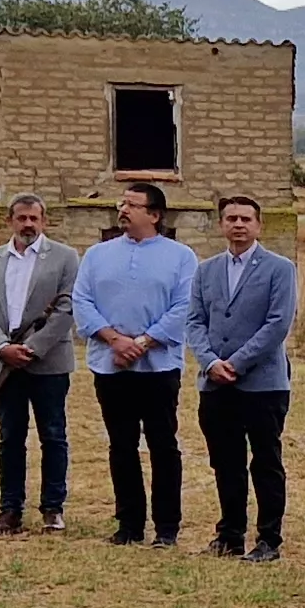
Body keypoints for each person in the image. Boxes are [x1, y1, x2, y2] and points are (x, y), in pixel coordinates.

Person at [72, 183, 200, 547]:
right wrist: (114, 340)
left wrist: (142, 342)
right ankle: (129, 524)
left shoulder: (181, 257)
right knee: (121, 445)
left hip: (159, 367)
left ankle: (166, 527)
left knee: (163, 445)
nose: (123, 209)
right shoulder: (97, 254)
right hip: (110, 365)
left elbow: (184, 306)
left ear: (155, 215)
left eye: (132, 204)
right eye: (122, 203)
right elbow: (81, 300)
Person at [194, 195, 296, 563]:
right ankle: (230, 534)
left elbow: (278, 323)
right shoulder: (206, 270)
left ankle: (269, 539)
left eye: (246, 219)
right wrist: (210, 362)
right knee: (226, 462)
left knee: (265, 462)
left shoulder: (279, 268)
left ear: (258, 225)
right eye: (231, 218)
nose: (238, 224)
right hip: (215, 384)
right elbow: (195, 320)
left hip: (262, 384)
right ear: (221, 224)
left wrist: (236, 363)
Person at [0, 195, 79, 536]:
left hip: (48, 363)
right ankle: (10, 510)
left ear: (44, 221)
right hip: (6, 365)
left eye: (34, 218)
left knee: (53, 436)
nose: (28, 224)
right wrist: (2, 347)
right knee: (10, 437)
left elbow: (67, 308)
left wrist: (31, 349)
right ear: (10, 221)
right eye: (22, 218)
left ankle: (52, 508)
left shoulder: (65, 257)